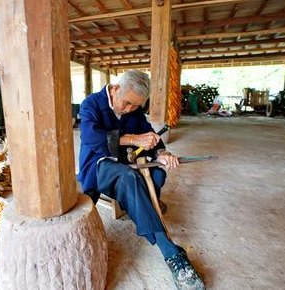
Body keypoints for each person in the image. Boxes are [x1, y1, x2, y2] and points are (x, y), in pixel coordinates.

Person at [77, 70, 205, 290]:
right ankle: (171, 252)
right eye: (126, 103)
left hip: (125, 163)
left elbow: (150, 135)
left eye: (135, 106)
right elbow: (91, 137)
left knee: (158, 172)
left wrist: (163, 154)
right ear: (116, 89)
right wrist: (134, 139)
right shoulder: (92, 103)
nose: (129, 110)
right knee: (128, 178)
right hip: (97, 165)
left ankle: (141, 208)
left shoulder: (134, 111)